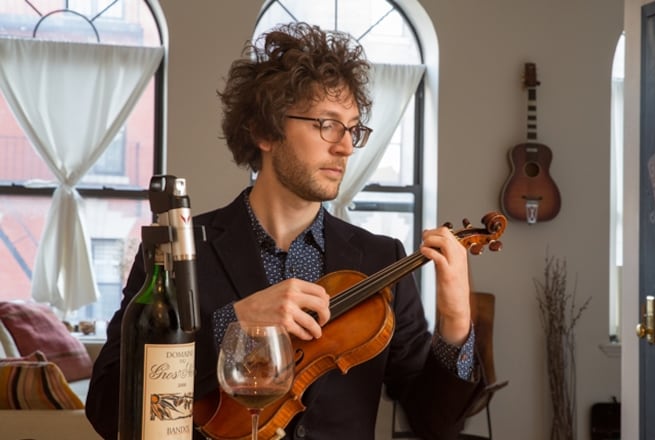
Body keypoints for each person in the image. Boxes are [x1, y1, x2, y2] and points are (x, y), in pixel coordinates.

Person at [86, 22, 484, 440]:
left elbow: (435, 424)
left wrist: (456, 320)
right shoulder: (178, 250)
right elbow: (107, 407)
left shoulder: (381, 258)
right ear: (264, 131)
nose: (345, 146)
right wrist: (233, 324)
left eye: (352, 128)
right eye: (326, 124)